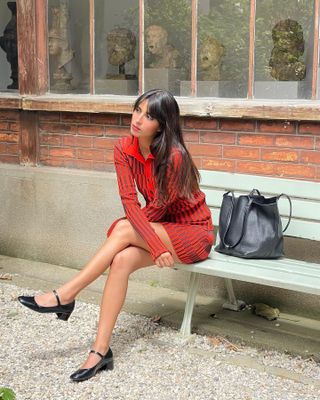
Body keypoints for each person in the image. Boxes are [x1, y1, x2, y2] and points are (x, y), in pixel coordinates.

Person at [18, 89, 214, 382]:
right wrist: (150, 242)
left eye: (148, 116)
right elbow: (130, 203)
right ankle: (100, 351)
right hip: (158, 229)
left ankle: (66, 295)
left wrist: (150, 242)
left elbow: (160, 209)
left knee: (122, 229)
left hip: (192, 233)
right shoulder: (123, 148)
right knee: (120, 259)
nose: (137, 119)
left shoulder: (174, 157)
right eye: (137, 110)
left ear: (161, 125)